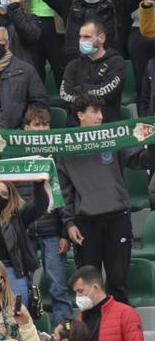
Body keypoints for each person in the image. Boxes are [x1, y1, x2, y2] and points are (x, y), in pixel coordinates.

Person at [58, 94, 150, 302]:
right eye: (94, 112)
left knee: (118, 282)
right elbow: (63, 192)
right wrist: (69, 223)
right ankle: (92, 334)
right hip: (86, 223)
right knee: (89, 287)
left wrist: (151, 143)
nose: (100, 116)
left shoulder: (112, 136)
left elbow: (140, 160)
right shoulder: (65, 145)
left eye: (101, 111)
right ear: (80, 115)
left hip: (118, 218)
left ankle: (120, 332)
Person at [71, 265, 143, 341]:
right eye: (76, 292)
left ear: (95, 288)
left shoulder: (126, 314)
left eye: (80, 291)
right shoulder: (79, 320)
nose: (77, 297)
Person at [59, 20, 127, 125]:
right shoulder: (73, 64)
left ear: (101, 38)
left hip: (107, 125)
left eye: (87, 37)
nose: (82, 41)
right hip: (76, 126)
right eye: (80, 37)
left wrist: (81, 89)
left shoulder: (116, 62)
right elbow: (64, 96)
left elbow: (108, 92)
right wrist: (88, 94)